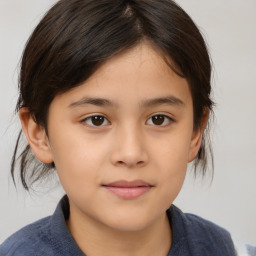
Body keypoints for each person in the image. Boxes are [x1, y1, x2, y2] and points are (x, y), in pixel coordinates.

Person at [0, 0, 237, 255]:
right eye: (96, 120)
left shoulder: (228, 250)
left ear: (195, 132)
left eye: (159, 119)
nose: (131, 154)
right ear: (40, 134)